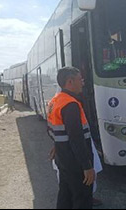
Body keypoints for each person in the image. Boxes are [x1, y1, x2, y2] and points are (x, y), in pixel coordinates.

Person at [47, 67, 95, 209]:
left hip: (63, 159)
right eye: (80, 80)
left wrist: (57, 146)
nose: (83, 83)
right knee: (82, 199)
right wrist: (87, 167)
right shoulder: (71, 105)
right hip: (76, 163)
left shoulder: (55, 101)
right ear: (70, 81)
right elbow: (76, 139)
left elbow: (52, 130)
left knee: (65, 196)